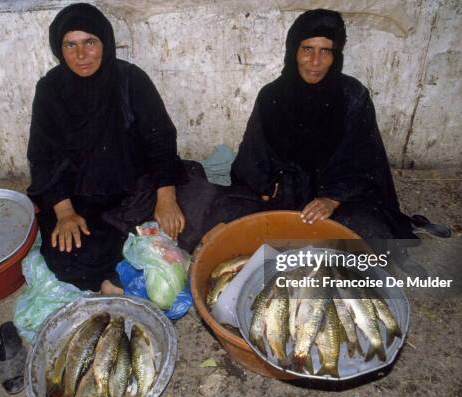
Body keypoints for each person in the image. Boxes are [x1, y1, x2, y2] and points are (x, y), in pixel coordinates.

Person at [26, 3, 212, 293]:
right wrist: (63, 212)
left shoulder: (130, 79)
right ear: (59, 49)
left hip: (138, 187)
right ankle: (125, 267)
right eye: (70, 45)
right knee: (68, 256)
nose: (81, 55)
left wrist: (166, 197)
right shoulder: (50, 90)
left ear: (105, 42)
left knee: (193, 217)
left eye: (90, 42)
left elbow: (159, 139)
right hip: (82, 196)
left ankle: (125, 266)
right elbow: (43, 155)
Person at [214, 9, 415, 240]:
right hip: (286, 194)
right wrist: (265, 189)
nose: (315, 62)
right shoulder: (271, 95)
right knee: (229, 218)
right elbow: (254, 154)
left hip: (339, 198)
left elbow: (366, 162)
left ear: (335, 55)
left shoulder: (352, 95)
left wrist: (332, 199)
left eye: (325, 51)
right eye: (307, 49)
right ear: (294, 51)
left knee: (367, 232)